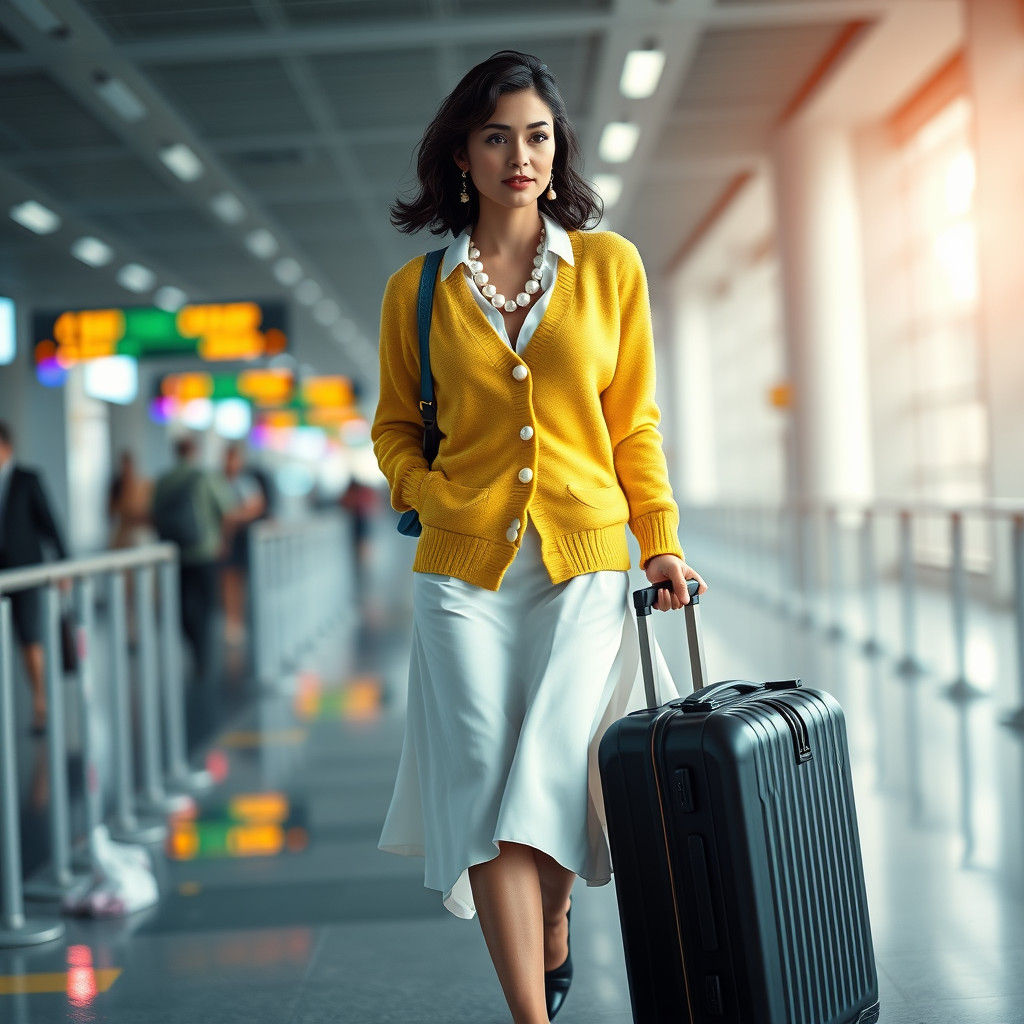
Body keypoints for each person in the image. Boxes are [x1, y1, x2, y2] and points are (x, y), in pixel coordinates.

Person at [372, 51, 708, 1024]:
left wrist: (659, 540)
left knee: (553, 781)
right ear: (462, 157)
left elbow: (633, 421)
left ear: (556, 150)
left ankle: (553, 921)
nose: (519, 155)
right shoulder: (418, 289)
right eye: (495, 137)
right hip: (460, 571)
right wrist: (427, 493)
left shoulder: (608, 266)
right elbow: (394, 426)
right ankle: (530, 1014)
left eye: (536, 134)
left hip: (584, 561)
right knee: (484, 790)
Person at [0, 420, 70, 736]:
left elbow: (49, 524)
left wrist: (64, 565)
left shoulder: (27, 479)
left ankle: (40, 701)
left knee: (30, 639)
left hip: (26, 573)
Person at [151, 434, 233, 680]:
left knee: (180, 605)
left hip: (174, 554)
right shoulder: (205, 477)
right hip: (204, 551)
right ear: (195, 451)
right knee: (207, 606)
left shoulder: (163, 480)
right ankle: (203, 655)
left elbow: (154, 514)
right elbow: (227, 511)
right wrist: (222, 540)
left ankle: (192, 644)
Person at [220, 442, 266, 646]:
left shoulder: (245, 482)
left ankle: (240, 619)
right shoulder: (220, 482)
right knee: (228, 580)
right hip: (226, 538)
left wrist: (234, 517)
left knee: (242, 581)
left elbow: (255, 506)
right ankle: (232, 622)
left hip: (242, 538)